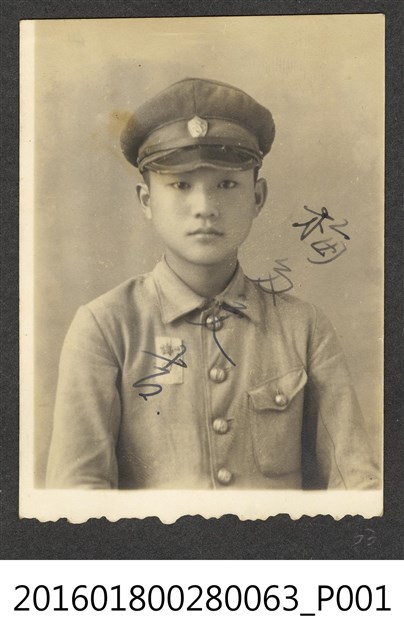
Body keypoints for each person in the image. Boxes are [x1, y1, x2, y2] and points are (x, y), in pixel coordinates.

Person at [46, 77, 378, 490]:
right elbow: (76, 498)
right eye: (181, 185)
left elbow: (358, 487)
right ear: (147, 201)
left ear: (257, 198)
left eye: (226, 184)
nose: (205, 208)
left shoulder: (303, 327)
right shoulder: (106, 327)